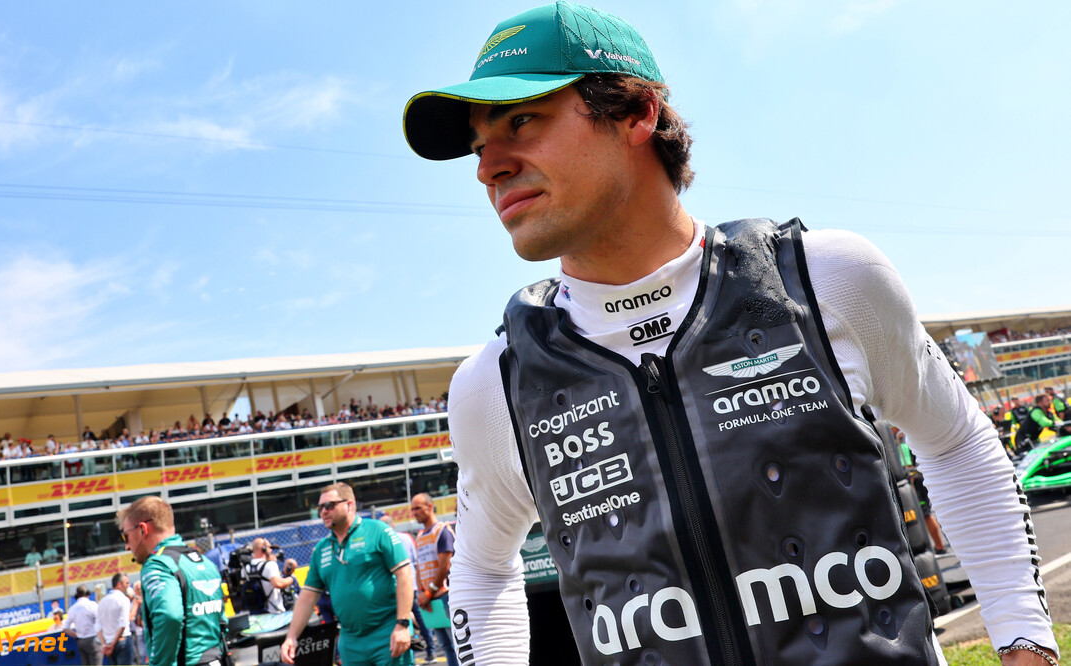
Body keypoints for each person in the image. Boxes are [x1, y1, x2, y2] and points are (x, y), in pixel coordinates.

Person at [402, 4, 1058, 665]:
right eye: (481, 146)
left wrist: (1024, 638)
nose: (490, 167)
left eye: (521, 121)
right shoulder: (497, 382)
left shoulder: (826, 278)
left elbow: (957, 443)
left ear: (637, 113)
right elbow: (484, 570)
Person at [280, 482, 413, 666]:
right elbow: (308, 596)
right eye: (320, 508)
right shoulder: (322, 549)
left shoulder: (377, 531)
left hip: (387, 632)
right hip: (351, 640)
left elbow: (404, 575)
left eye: (329, 505)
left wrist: (403, 624)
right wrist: (291, 637)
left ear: (349, 504)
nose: (323, 512)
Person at [118, 496, 227, 666]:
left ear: (142, 529)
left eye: (126, 536)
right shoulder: (203, 562)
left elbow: (170, 616)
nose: (127, 546)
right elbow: (222, 620)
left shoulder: (158, 565)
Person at [409, 494, 458, 666]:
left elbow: (445, 566)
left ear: (430, 506)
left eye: (417, 508)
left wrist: (428, 592)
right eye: (412, 508)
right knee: (446, 646)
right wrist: (422, 593)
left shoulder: (442, 531)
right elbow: (419, 568)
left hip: (444, 596)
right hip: (430, 600)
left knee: (457, 644)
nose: (413, 512)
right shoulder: (420, 536)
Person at [381, 516, 437, 664]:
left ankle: (411, 654)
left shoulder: (384, 542)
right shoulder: (406, 538)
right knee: (420, 620)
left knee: (401, 622)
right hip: (412, 586)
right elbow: (415, 560)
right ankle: (430, 651)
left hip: (397, 589)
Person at [243, 538, 295, 614]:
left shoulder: (246, 568)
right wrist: (291, 578)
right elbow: (278, 584)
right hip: (274, 612)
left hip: (255, 613)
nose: (271, 551)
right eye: (269, 548)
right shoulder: (270, 565)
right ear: (263, 548)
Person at [97, 573, 135, 666]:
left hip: (108, 643)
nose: (128, 585)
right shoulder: (123, 599)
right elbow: (123, 624)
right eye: (127, 583)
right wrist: (111, 646)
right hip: (122, 641)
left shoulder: (102, 601)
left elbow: (98, 626)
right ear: (119, 584)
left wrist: (104, 646)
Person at [63, 585, 101, 666]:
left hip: (81, 641)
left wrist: (76, 635)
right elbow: (100, 620)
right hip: (93, 639)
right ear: (87, 594)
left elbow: (65, 628)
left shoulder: (72, 609)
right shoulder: (92, 605)